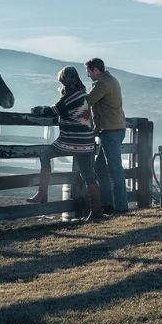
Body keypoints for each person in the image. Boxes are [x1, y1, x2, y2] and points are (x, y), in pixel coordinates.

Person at [29, 66, 103, 222]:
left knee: (45, 154)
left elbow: (53, 110)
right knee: (89, 176)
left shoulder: (70, 97)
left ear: (64, 81)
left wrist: (36, 109)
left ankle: (42, 193)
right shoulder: (82, 94)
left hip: (72, 140)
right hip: (87, 141)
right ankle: (96, 212)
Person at [85, 58, 128, 214]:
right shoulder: (110, 80)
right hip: (113, 129)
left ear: (96, 70)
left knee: (115, 169)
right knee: (101, 168)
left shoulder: (103, 84)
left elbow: (88, 100)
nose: (88, 75)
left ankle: (121, 207)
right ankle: (108, 203)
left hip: (110, 131)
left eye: (89, 72)